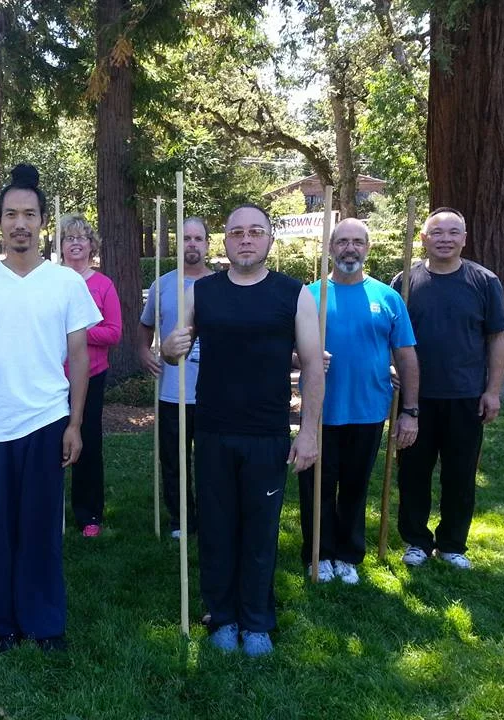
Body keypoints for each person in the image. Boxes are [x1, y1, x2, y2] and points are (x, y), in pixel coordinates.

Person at [0, 164, 101, 652]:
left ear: (42, 222)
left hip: (46, 419)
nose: (20, 222)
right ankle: (2, 623)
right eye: (11, 213)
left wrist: (76, 423)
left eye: (29, 214)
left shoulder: (66, 284)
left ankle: (44, 622)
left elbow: (79, 356)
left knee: (40, 530)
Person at [162, 203, 324, 657]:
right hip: (212, 429)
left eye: (256, 232)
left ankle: (256, 620)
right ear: (226, 241)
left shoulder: (294, 294)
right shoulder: (204, 292)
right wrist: (172, 346)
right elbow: (175, 345)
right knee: (216, 527)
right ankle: (222, 615)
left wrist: (308, 432)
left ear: (270, 239)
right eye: (237, 233)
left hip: (268, 432)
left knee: (260, 530)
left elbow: (313, 366)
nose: (246, 239)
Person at [298, 218, 419, 585]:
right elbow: (287, 348)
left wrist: (410, 410)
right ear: (331, 247)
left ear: (368, 248)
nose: (350, 248)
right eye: (342, 242)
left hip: (368, 410)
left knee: (354, 485)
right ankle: (318, 553)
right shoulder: (309, 295)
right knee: (317, 485)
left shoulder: (388, 297)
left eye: (358, 242)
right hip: (320, 411)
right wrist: (304, 355)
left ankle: (348, 554)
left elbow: (406, 355)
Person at [395, 207, 504, 570]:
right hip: (416, 399)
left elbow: (497, 338)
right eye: (437, 232)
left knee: (460, 474)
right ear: (424, 239)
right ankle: (416, 541)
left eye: (453, 232)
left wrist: (493, 390)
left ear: (464, 238)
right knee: (413, 473)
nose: (445, 239)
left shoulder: (484, 281)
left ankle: (452, 545)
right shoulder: (405, 283)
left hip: (466, 396)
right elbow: (389, 336)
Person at [138, 217, 213, 538]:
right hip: (172, 392)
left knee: (212, 463)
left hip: (213, 394)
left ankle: (212, 517)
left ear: (208, 244)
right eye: (186, 238)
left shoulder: (221, 286)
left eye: (198, 238)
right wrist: (144, 353)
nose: (192, 244)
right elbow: (144, 329)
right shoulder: (162, 285)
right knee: (174, 462)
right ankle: (182, 520)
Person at [60, 213, 122, 537]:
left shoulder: (102, 285)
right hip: (54, 377)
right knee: (50, 442)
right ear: (61, 245)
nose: (75, 243)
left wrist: (78, 333)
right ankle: (49, 510)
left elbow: (113, 333)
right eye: (69, 238)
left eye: (81, 238)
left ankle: (89, 515)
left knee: (88, 442)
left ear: (91, 245)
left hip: (92, 376)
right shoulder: (52, 282)